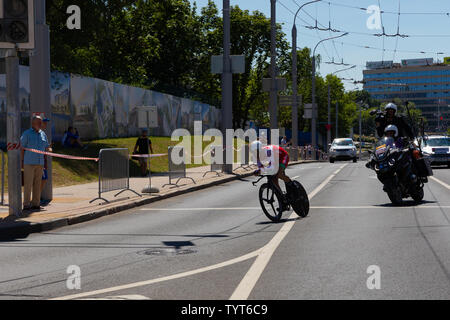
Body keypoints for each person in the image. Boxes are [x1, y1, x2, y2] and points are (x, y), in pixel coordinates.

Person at [20, 116, 51, 211]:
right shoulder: (26, 134)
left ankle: (36, 204)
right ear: (33, 123)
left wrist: (49, 152)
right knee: (28, 184)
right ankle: (26, 204)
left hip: (40, 163)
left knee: (38, 184)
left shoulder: (43, 134)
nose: (41, 124)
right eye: (39, 122)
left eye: (41, 122)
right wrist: (21, 162)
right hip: (29, 162)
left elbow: (46, 147)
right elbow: (21, 148)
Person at [250, 140, 295, 206]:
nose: (254, 154)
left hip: (283, 157)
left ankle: (292, 185)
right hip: (275, 160)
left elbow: (273, 167)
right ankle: (283, 199)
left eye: (255, 152)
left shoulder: (268, 151)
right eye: (253, 152)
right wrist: (259, 171)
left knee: (278, 174)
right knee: (273, 180)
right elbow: (261, 167)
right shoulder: (258, 156)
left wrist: (262, 170)